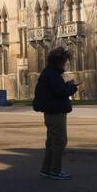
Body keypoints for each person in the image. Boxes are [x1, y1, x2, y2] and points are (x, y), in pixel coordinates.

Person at [33, 47, 78, 180]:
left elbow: (55, 90)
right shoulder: (52, 74)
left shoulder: (49, 73)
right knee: (59, 141)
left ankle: (46, 169)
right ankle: (55, 170)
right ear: (60, 61)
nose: (65, 64)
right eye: (64, 61)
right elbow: (61, 92)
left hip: (52, 111)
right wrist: (71, 87)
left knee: (52, 142)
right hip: (55, 112)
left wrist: (66, 86)